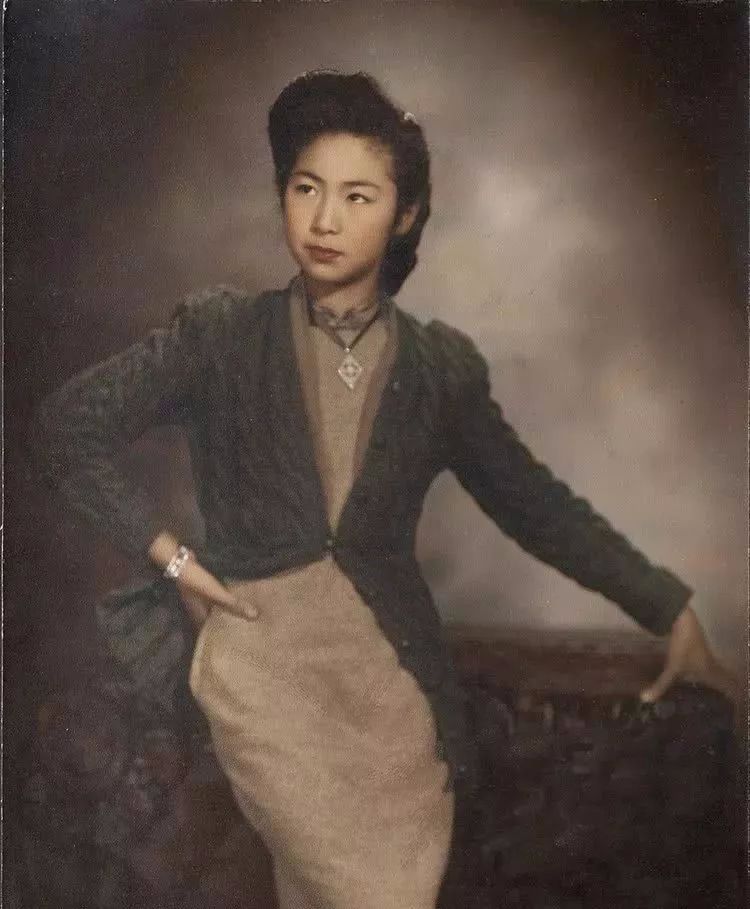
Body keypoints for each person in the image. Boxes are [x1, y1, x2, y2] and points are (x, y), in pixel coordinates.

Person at [31, 70, 736, 909]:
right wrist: (175, 559)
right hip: (261, 670)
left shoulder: (438, 372)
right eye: (305, 188)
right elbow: (66, 428)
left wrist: (663, 603)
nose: (324, 219)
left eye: (357, 196)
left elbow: (536, 505)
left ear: (405, 215)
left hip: (389, 693)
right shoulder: (220, 336)